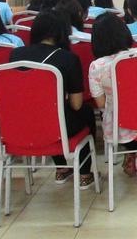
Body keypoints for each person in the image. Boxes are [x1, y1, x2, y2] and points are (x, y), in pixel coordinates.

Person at [9, 10, 96, 188]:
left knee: (49, 115)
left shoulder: (15, 55)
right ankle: (84, 173)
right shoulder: (68, 58)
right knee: (84, 112)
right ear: (62, 32)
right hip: (56, 125)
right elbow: (76, 104)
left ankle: (61, 168)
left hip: (19, 124)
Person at [88, 13, 137, 177]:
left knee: (113, 113)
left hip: (119, 125)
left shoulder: (97, 66)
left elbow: (101, 104)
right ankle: (136, 151)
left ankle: (132, 152)